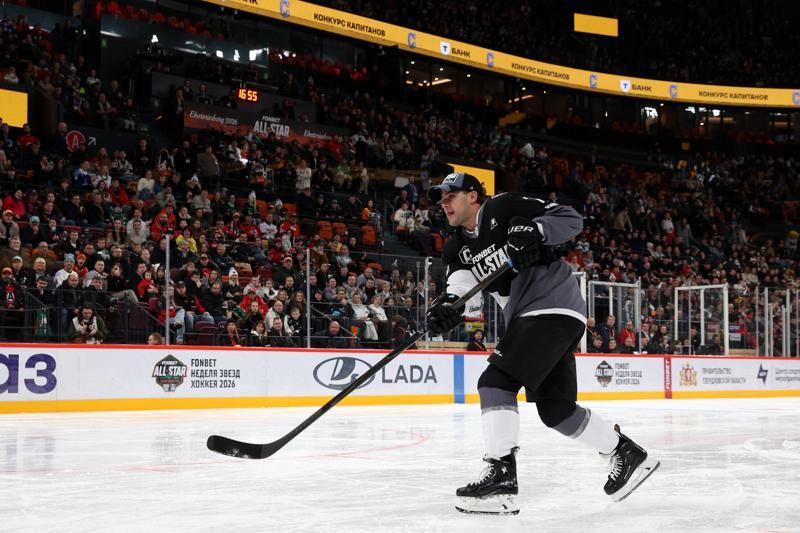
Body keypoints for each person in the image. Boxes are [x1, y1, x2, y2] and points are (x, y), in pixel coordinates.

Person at [425, 172, 659, 515]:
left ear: (473, 196)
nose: (444, 204)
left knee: (495, 382)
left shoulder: (502, 207)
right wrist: (447, 308)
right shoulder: (456, 249)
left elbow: (570, 219)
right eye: (441, 199)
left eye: (450, 196)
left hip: (551, 305)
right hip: (538, 318)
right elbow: (462, 291)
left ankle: (501, 475)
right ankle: (624, 452)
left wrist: (535, 230)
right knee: (556, 410)